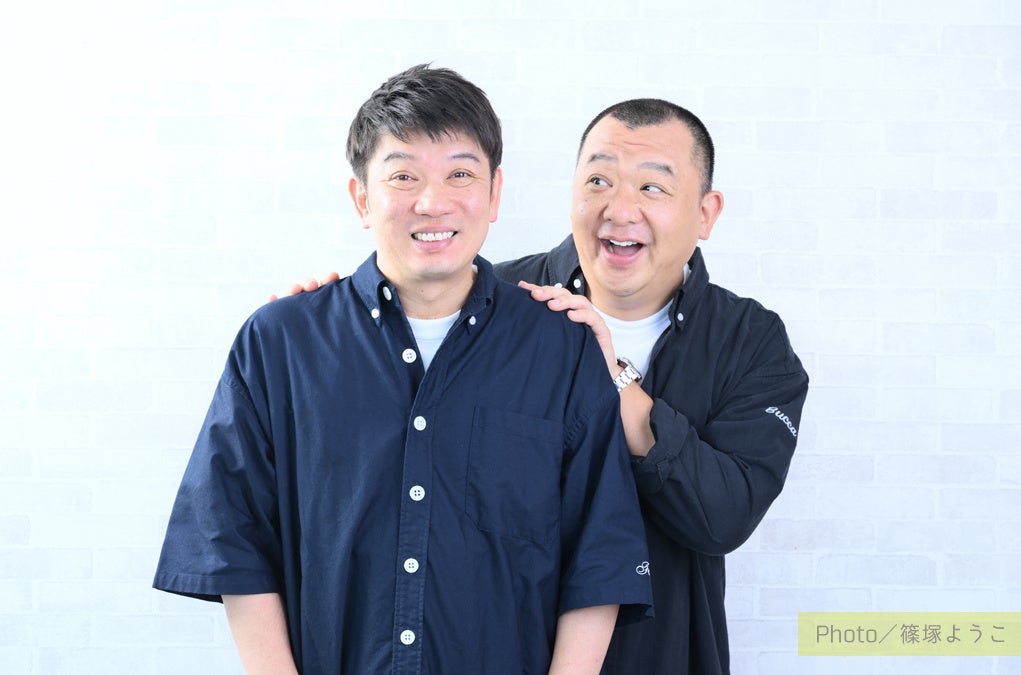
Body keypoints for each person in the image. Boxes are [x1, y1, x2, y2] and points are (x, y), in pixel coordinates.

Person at [153, 64, 653, 675]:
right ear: (361, 198)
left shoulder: (559, 349)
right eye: (403, 176)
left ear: (495, 193)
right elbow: (235, 543)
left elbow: (599, 559)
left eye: (460, 174)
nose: (432, 202)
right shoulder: (280, 342)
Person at [281, 97, 810, 674]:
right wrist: (330, 324)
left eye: (652, 188)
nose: (619, 209)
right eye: (598, 181)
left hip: (665, 657)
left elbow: (724, 517)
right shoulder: (495, 303)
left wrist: (611, 377)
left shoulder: (750, 341)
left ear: (706, 214)